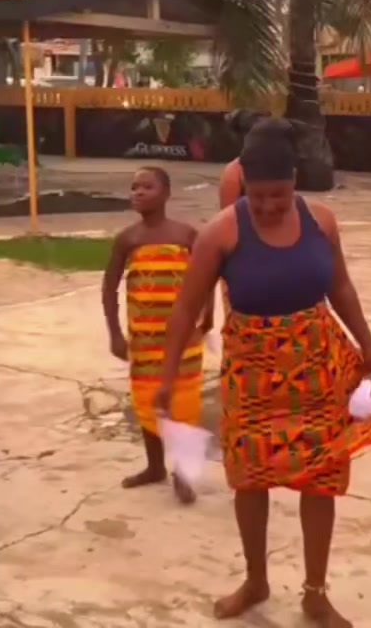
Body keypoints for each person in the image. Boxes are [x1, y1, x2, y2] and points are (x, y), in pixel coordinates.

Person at [156, 118, 371, 627]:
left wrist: (367, 342)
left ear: (295, 182)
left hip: (318, 372)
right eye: (259, 195)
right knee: (250, 480)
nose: (269, 206)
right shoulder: (222, 232)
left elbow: (341, 287)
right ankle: (256, 580)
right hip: (252, 377)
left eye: (280, 196)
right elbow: (185, 309)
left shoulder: (322, 221)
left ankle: (315, 593)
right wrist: (168, 374)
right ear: (243, 182)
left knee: (321, 480)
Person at [102, 166, 211, 504]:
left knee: (185, 405)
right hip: (145, 341)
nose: (138, 192)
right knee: (148, 402)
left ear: (166, 194)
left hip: (185, 341)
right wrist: (115, 334)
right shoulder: (128, 239)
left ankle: (183, 473)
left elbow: (207, 278)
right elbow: (109, 288)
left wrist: (207, 318)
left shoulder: (187, 235)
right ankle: (155, 467)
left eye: (147, 186)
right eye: (134, 187)